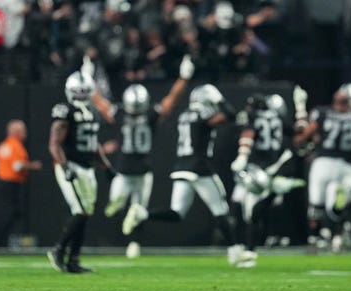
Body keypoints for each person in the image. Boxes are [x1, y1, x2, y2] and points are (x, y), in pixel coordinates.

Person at [121, 83, 254, 266]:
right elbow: (229, 115)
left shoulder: (185, 115)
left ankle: (142, 213)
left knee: (177, 212)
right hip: (199, 167)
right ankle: (235, 252)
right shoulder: (203, 114)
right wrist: (220, 99)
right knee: (220, 209)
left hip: (181, 167)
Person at [99, 54, 194, 258]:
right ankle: (133, 238)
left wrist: (89, 83)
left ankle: (132, 238)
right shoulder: (150, 116)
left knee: (128, 209)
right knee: (135, 209)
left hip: (126, 169)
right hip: (141, 170)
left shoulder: (120, 114)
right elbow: (171, 101)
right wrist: (183, 78)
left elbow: (101, 103)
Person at [47, 69, 115, 273]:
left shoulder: (92, 111)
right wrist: (65, 167)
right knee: (81, 211)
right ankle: (58, 250)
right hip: (71, 166)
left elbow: (94, 144)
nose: (81, 95)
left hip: (87, 168)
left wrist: (107, 166)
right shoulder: (65, 110)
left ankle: (73, 259)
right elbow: (54, 144)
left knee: (86, 213)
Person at [294, 88, 351, 252]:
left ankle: (317, 237)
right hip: (345, 165)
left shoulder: (323, 113)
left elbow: (304, 135)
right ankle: (339, 235)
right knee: (342, 203)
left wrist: (302, 139)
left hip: (323, 162)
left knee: (317, 203)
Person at [230, 93, 305, 267]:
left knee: (245, 210)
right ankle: (245, 248)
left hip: (255, 168)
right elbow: (299, 131)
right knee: (246, 209)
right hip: (270, 168)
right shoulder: (278, 118)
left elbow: (248, 133)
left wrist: (242, 155)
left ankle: (248, 250)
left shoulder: (254, 116)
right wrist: (300, 108)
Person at [0, 119, 43, 247]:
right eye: (22, 131)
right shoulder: (16, 146)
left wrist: (3, 171)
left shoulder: (3, 145)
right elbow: (17, 166)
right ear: (15, 132)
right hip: (12, 183)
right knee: (10, 213)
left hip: (3, 182)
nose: (25, 134)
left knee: (8, 211)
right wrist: (33, 165)